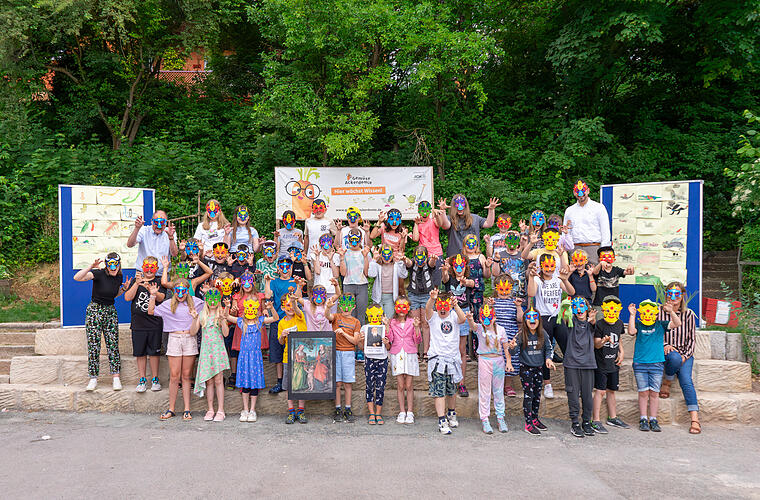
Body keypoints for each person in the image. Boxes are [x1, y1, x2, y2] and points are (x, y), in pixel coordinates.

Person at [148, 279, 204, 421]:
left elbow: (211, 306)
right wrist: (153, 295)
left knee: (186, 376)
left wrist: (207, 293)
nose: (180, 294)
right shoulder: (168, 304)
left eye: (183, 291)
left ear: (187, 291)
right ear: (173, 291)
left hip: (190, 339)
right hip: (174, 338)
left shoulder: (196, 302)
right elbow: (151, 311)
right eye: (177, 291)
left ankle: (187, 409)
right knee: (174, 376)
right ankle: (171, 409)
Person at [73, 254, 130, 392]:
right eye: (110, 264)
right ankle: (93, 378)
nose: (113, 267)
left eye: (116, 264)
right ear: (106, 264)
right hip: (95, 310)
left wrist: (123, 289)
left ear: (119, 264)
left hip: (110, 310)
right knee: (94, 344)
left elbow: (112, 294)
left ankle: (116, 377)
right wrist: (90, 267)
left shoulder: (119, 277)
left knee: (113, 343)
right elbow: (77, 278)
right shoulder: (98, 273)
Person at [627, 299, 681, 432]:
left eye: (651, 312)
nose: (648, 315)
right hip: (640, 364)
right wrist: (632, 315)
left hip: (656, 364)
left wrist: (671, 312)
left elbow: (677, 323)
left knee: (654, 393)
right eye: (644, 312)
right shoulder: (639, 325)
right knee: (643, 392)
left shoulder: (660, 325)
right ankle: (643, 418)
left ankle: (653, 419)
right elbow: (631, 331)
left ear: (656, 314)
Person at [527, 255, 575, 398]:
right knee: (545, 352)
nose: (549, 269)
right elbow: (531, 293)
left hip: (557, 318)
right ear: (541, 266)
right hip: (543, 319)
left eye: (552, 266)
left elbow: (571, 292)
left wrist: (565, 279)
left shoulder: (557, 278)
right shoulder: (537, 279)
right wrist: (531, 277)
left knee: (568, 349)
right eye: (546, 266)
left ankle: (571, 382)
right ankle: (547, 384)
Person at [657, 282, 701, 434]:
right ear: (666, 294)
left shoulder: (689, 314)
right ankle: (668, 380)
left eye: (677, 294)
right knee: (674, 358)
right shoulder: (659, 312)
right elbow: (655, 333)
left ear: (682, 296)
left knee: (687, 381)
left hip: (685, 354)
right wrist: (664, 344)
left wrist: (685, 356)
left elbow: (692, 339)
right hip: (666, 352)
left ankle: (695, 419)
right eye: (670, 293)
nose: (673, 297)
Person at [227, 295, 278, 423]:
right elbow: (226, 317)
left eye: (253, 308)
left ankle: (252, 410)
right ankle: (245, 409)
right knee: (245, 384)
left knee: (254, 384)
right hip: (244, 358)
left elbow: (275, 318)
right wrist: (228, 306)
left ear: (256, 309)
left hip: (255, 358)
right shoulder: (241, 322)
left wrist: (271, 308)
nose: (250, 311)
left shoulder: (260, 321)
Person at [466, 301, 512, 434]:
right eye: (484, 317)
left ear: (494, 317)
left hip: (498, 361)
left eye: (490, 317)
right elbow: (473, 326)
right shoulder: (480, 328)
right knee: (484, 391)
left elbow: (506, 347)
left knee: (498, 391)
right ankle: (485, 419)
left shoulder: (501, 330)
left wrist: (508, 362)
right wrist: (470, 319)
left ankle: (500, 417)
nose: (487, 320)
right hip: (484, 361)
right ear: (481, 318)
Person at [425, 289, 467, 435]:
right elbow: (427, 309)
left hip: (452, 360)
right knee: (439, 392)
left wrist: (456, 305)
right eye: (440, 306)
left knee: (452, 390)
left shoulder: (454, 315)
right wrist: (432, 299)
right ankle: (441, 420)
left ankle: (451, 413)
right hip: (437, 360)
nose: (442, 309)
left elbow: (463, 319)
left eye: (446, 306)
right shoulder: (433, 317)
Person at [507, 306, 554, 435]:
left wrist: (548, 359)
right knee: (529, 395)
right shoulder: (521, 335)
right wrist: (512, 347)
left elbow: (549, 348)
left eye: (535, 317)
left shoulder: (543, 333)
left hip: (539, 368)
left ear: (539, 320)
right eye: (529, 318)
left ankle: (534, 419)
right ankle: (528, 424)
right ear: (525, 320)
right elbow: (513, 352)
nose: (532, 320)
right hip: (526, 369)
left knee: (537, 395)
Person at [123, 256, 165, 393]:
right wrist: (137, 284)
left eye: (152, 267)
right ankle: (142, 379)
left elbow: (162, 298)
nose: (149, 270)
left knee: (154, 353)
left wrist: (152, 291)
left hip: (154, 324)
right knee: (140, 353)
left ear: (156, 269)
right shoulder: (136, 281)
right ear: (142, 267)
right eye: (147, 267)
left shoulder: (159, 281)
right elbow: (127, 297)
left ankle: (155, 379)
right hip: (138, 323)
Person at [191, 288, 230, 422]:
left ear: (218, 300)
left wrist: (223, 320)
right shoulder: (202, 315)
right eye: (210, 299)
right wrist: (195, 318)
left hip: (218, 351)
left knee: (218, 380)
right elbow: (193, 332)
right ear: (206, 300)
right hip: (206, 352)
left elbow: (226, 334)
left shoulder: (221, 313)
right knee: (209, 381)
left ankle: (221, 410)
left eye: (215, 299)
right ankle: (210, 409)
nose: (212, 302)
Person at [592, 295, 629, 433]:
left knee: (611, 390)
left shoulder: (619, 323)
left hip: (613, 362)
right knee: (600, 391)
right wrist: (603, 341)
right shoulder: (600, 324)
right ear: (603, 309)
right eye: (609, 309)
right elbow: (596, 344)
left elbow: (619, 339)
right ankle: (595, 420)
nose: (612, 312)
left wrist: (622, 352)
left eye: (615, 309)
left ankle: (612, 417)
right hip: (601, 363)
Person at [562, 296, 598, 438]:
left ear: (587, 308)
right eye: (576, 307)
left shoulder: (591, 323)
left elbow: (593, 324)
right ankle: (575, 423)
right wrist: (566, 307)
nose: (579, 310)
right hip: (571, 363)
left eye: (582, 306)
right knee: (573, 395)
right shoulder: (571, 322)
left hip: (588, 363)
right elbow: (565, 319)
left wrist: (592, 319)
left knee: (587, 395)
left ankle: (587, 422)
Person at [264, 257, 297, 394]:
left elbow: (299, 298)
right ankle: (279, 381)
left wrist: (298, 285)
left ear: (291, 268)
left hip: (293, 321)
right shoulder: (274, 282)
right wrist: (267, 282)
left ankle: (294, 381)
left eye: (287, 266)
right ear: (278, 268)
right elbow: (267, 295)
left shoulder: (295, 282)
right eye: (282, 266)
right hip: (277, 321)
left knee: (293, 352)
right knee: (277, 353)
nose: (285, 269)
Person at [386, 297, 421, 424]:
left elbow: (418, 340)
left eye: (404, 306)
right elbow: (389, 338)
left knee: (409, 385)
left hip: (410, 353)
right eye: (399, 306)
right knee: (400, 385)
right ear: (395, 308)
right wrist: (386, 326)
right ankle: (402, 411)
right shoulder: (392, 322)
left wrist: (416, 327)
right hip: (397, 353)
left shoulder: (412, 321)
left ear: (408, 308)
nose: (401, 310)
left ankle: (410, 411)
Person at [404, 245, 442, 357]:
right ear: (414, 257)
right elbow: (408, 264)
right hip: (413, 295)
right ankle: (415, 350)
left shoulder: (428, 263)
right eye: (417, 258)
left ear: (426, 257)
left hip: (427, 295)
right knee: (415, 323)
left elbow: (432, 264)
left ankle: (426, 351)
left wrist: (433, 259)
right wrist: (405, 259)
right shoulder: (412, 263)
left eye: (422, 258)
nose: (420, 261)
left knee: (426, 323)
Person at [277, 291, 309, 424]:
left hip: (300, 359)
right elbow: (280, 342)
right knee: (288, 386)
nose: (290, 308)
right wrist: (282, 336)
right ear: (282, 307)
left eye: (292, 305)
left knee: (301, 384)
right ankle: (291, 411)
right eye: (287, 305)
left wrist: (294, 302)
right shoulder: (281, 323)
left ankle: (301, 411)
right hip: (287, 358)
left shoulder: (299, 317)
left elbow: (296, 309)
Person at [563, 179, 611, 265]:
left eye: (583, 190)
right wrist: (567, 250)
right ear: (574, 192)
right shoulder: (569, 211)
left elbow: (605, 231)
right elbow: (566, 232)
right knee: (575, 273)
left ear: (588, 190)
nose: (580, 194)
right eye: (577, 191)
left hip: (594, 248)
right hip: (575, 249)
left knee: (594, 272)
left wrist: (604, 251)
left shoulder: (599, 208)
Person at [332, 294, 362, 423]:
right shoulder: (336, 317)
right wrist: (328, 307)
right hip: (336, 352)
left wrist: (343, 333)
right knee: (337, 383)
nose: (346, 308)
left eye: (349, 306)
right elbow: (327, 315)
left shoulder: (356, 322)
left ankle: (348, 408)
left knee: (347, 383)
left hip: (349, 353)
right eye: (343, 305)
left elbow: (355, 341)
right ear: (340, 306)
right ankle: (338, 408)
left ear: (353, 307)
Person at [360, 304, 391, 425]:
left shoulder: (384, 328)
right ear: (368, 315)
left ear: (381, 315)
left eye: (377, 315)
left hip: (382, 359)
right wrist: (361, 339)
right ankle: (371, 413)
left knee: (380, 387)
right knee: (369, 386)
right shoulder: (365, 328)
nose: (374, 318)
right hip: (369, 359)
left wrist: (386, 342)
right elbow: (361, 347)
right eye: (371, 315)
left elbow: (389, 347)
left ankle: (378, 413)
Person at [492, 275, 522, 398]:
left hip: (510, 335)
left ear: (511, 289)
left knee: (511, 358)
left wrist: (518, 307)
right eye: (501, 290)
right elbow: (488, 318)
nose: (504, 293)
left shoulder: (514, 302)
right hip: (497, 336)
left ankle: (508, 385)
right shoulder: (494, 302)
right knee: (497, 359)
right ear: (496, 288)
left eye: (507, 289)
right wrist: (490, 306)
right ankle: (497, 385)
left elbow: (520, 319)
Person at [126, 211, 178, 276]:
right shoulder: (144, 230)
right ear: (152, 221)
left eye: (162, 223)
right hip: (143, 273)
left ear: (166, 223)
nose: (159, 226)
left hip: (162, 274)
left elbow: (174, 254)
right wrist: (137, 228)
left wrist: (171, 238)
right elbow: (130, 244)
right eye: (156, 222)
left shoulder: (170, 232)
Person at [337, 228, 371, 328]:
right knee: (348, 314)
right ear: (348, 239)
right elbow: (343, 273)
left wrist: (365, 257)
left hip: (362, 285)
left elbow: (366, 273)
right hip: (348, 285)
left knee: (361, 315)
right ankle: (349, 336)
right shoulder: (345, 252)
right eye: (352, 240)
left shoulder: (365, 252)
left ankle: (360, 336)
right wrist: (342, 258)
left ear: (361, 239)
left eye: (357, 239)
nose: (354, 242)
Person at [368, 245, 408, 317]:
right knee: (377, 318)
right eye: (384, 255)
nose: (387, 257)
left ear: (392, 255)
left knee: (389, 318)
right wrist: (374, 259)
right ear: (380, 255)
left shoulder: (396, 265)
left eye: (389, 254)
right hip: (378, 296)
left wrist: (400, 262)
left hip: (390, 297)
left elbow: (404, 275)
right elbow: (371, 274)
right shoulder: (377, 265)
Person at [592, 246, 634, 315]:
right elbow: (594, 272)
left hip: (614, 304)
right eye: (604, 257)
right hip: (600, 304)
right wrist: (600, 264)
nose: (606, 259)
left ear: (614, 259)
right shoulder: (598, 270)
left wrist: (631, 268)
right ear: (599, 259)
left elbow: (629, 272)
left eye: (609, 257)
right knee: (599, 320)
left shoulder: (617, 270)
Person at [309, 234, 341, 310]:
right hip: (319, 290)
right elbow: (317, 271)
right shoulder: (315, 255)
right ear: (320, 244)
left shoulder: (336, 256)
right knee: (319, 313)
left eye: (328, 242)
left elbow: (336, 275)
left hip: (332, 290)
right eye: (323, 242)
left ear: (332, 244)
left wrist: (330, 259)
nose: (326, 246)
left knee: (331, 314)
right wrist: (317, 256)